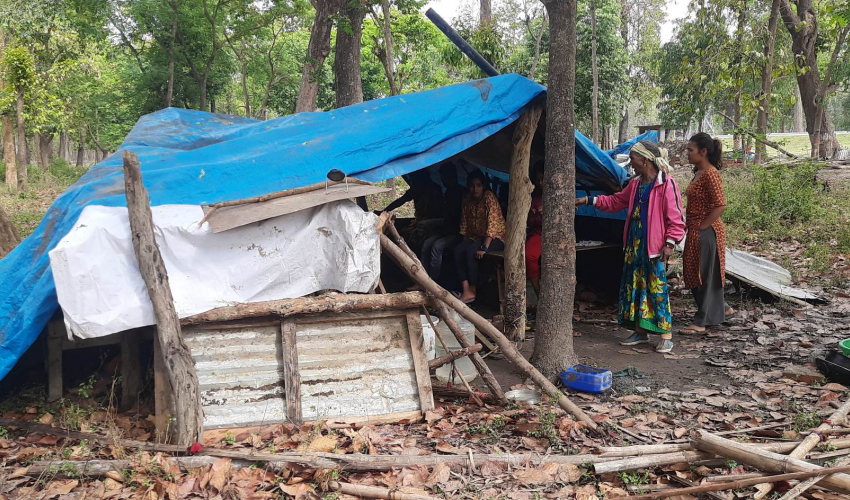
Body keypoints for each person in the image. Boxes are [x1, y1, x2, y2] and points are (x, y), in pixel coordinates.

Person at [576, 141, 686, 353]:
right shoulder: (635, 184)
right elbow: (616, 202)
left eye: (633, 159)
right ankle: (640, 331)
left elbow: (676, 219)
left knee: (656, 287)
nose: (631, 163)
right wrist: (589, 200)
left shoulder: (666, 184)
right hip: (634, 244)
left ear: (645, 160)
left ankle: (665, 335)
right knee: (635, 286)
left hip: (654, 246)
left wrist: (670, 243)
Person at [679, 133, 735, 334]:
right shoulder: (699, 172)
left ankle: (701, 321)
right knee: (695, 272)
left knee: (705, 276)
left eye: (690, 150)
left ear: (703, 151)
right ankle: (724, 309)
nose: (687, 153)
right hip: (695, 230)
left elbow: (720, 204)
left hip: (707, 231)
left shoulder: (711, 174)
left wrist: (703, 226)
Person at [454, 170, 506, 303]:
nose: (475, 189)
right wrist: (464, 242)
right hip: (477, 237)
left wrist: (484, 248)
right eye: (472, 185)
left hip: (496, 237)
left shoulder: (489, 197)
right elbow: (464, 223)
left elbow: (493, 225)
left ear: (483, 186)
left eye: (478, 185)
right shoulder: (467, 199)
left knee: (471, 252)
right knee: (458, 250)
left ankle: (473, 289)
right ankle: (466, 289)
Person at [419, 162, 465, 280]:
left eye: (447, 176)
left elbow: (459, 220)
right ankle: (422, 278)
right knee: (426, 244)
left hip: (458, 232)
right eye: (443, 177)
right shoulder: (448, 192)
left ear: (454, 176)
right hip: (446, 229)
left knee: (436, 247)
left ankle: (433, 282)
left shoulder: (462, 193)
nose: (444, 180)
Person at [381, 169, 444, 252]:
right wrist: (384, 211)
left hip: (433, 222)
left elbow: (437, 212)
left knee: (413, 236)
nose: (412, 182)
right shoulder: (416, 190)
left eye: (413, 180)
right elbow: (400, 201)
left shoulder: (434, 190)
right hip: (421, 221)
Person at [525, 161, 544, 299]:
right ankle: (539, 294)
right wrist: (532, 216)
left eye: (543, 179)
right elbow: (529, 224)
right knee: (529, 256)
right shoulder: (532, 197)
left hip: (555, 235)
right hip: (537, 233)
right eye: (538, 180)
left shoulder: (560, 193)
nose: (541, 183)